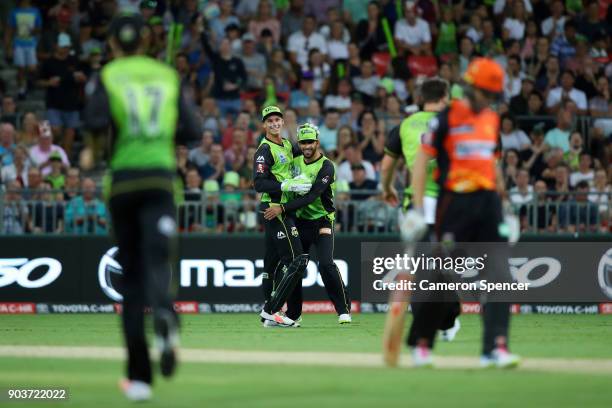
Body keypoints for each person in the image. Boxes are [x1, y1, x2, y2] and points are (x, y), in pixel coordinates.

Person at [83, 14, 201, 401]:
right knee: (158, 261)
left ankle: (139, 380)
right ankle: (166, 312)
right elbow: (193, 131)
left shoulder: (109, 75)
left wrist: (93, 152)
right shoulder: (166, 76)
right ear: (148, 41)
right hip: (160, 179)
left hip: (123, 182)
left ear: (114, 44)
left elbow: (96, 121)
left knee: (131, 281)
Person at [406, 58, 520, 368]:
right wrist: (416, 209)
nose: (489, 99)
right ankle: (423, 343)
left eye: (493, 94)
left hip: (488, 205)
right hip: (454, 204)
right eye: (486, 92)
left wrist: (505, 206)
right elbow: (421, 162)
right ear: (471, 86)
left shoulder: (492, 119)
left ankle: (494, 349)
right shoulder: (444, 119)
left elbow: (493, 165)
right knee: (440, 278)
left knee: (500, 276)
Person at [381, 78, 461, 359]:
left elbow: (387, 165)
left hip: (414, 205)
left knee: (421, 269)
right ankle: (445, 321)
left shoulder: (405, 125)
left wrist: (387, 188)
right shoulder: (452, 122)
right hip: (448, 203)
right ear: (444, 96)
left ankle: (439, 322)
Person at [263, 123, 351, 324]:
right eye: (303, 143)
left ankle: (343, 310)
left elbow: (313, 196)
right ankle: (294, 314)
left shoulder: (327, 166)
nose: (307, 146)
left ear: (317, 142)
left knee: (326, 264)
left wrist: (282, 208)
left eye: (310, 142)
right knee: (296, 266)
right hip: (300, 222)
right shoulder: (295, 162)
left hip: (322, 221)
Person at [253, 105, 312, 327]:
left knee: (273, 262)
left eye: (278, 120)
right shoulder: (264, 150)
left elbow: (308, 155)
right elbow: (258, 183)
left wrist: (309, 137)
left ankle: (271, 315)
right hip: (273, 207)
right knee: (296, 259)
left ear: (283, 122)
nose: (274, 123)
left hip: (284, 207)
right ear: (264, 125)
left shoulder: (287, 145)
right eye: (270, 121)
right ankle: (271, 310)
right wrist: (286, 184)